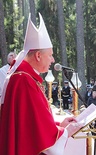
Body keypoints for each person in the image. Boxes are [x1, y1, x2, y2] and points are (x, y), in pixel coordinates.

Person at [0, 14, 81, 155]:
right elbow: (35, 138)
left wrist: (58, 126)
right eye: (50, 55)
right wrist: (66, 132)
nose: (52, 59)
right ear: (38, 56)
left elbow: (31, 124)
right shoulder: (24, 81)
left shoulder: (23, 77)